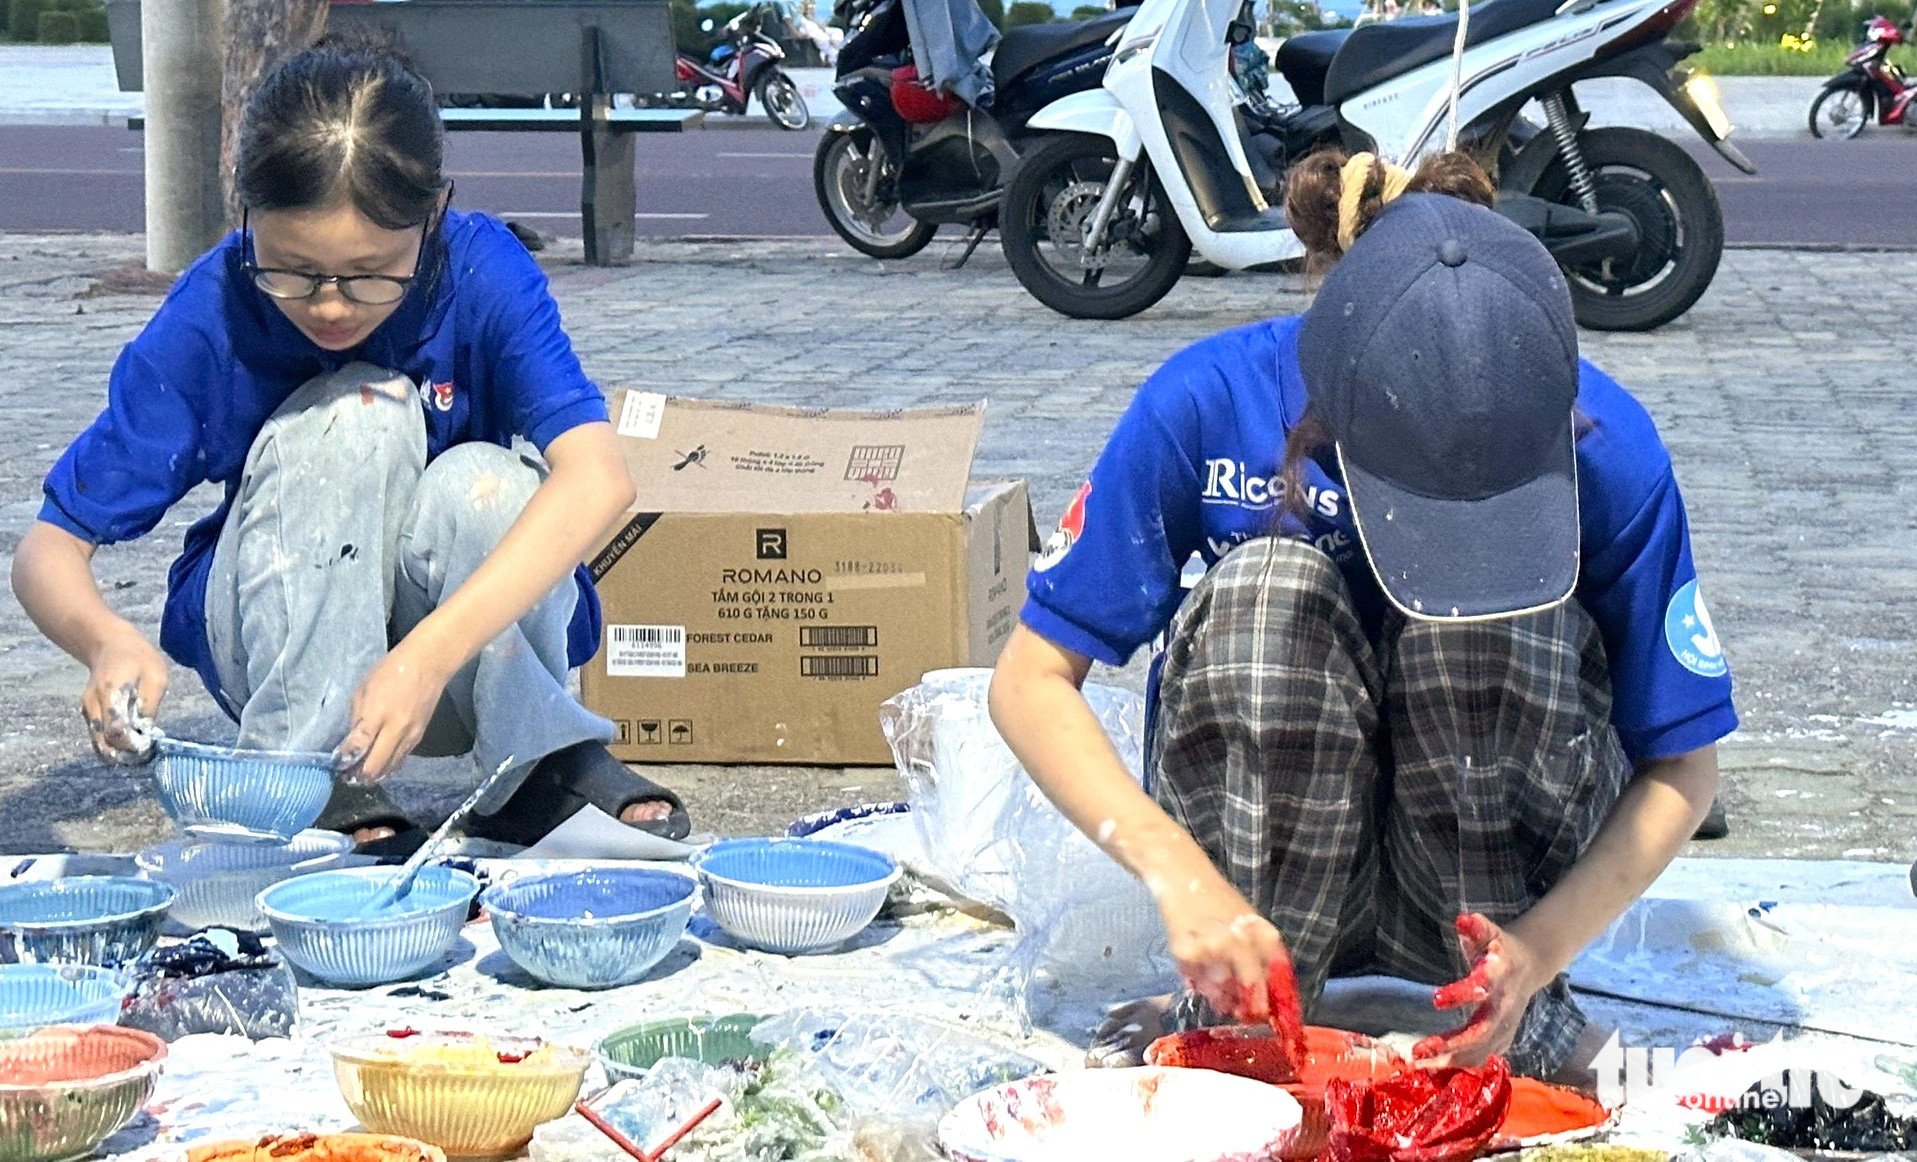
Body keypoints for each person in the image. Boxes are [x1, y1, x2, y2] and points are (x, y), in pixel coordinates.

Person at [988, 150, 1736, 1080]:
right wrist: (1179, 877)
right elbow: (1029, 682)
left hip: (1485, 902)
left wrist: (1539, 951)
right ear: (1326, 389)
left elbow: (1682, 766)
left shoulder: (1609, 446)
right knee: (1270, 593)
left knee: (1490, 628)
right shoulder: (1208, 400)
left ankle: (1500, 1016)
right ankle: (1248, 1011)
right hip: (1270, 888)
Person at [11, 38, 690, 853]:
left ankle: (537, 767)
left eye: (371, 274)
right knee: (358, 410)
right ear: (245, 217)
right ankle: (304, 778)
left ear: (432, 215)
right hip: (283, 642)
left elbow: (598, 479)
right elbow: (49, 548)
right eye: (293, 271)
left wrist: (429, 656)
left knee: (490, 482)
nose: (330, 308)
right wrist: (105, 641)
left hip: (453, 661)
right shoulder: (213, 311)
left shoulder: (480, 272)